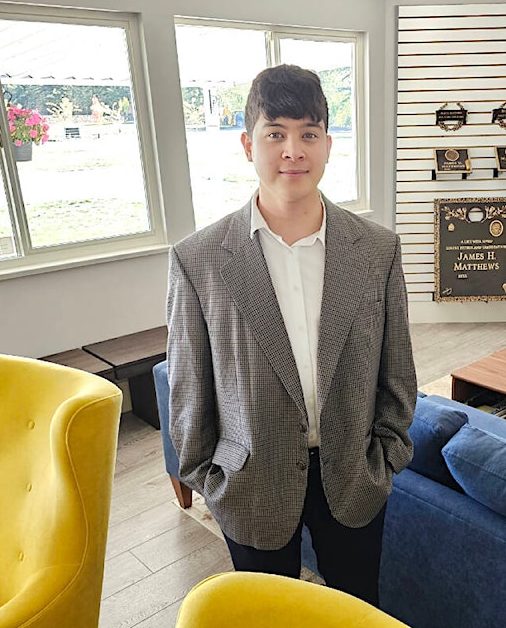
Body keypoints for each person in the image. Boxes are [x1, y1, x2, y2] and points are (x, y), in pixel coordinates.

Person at [166, 64, 416, 606]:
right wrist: (209, 477)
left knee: (355, 609)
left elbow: (397, 371)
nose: (292, 151)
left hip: (353, 477)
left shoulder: (377, 250)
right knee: (266, 616)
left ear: (328, 144)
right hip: (250, 484)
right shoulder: (199, 259)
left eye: (308, 134)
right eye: (275, 133)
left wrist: (387, 454)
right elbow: (189, 388)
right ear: (247, 144)